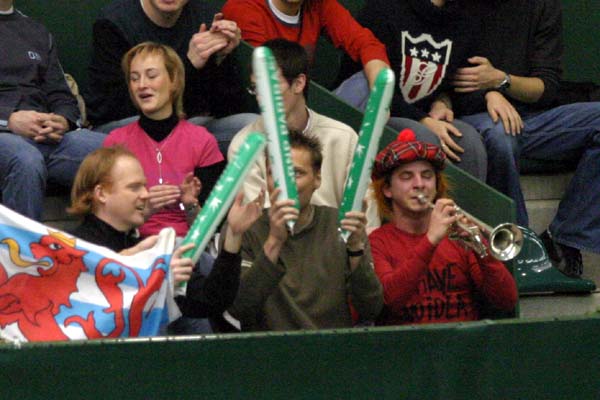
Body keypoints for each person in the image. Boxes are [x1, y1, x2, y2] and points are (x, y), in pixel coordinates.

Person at [451, 0, 600, 277]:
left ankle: (564, 238)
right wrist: (487, 94)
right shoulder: (458, 6)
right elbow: (448, 74)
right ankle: (518, 249)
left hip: (531, 119)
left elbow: (546, 86)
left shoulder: (542, 6)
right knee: (500, 134)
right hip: (471, 116)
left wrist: (500, 81)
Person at [68, 145, 264, 325]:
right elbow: (94, 317)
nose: (145, 194)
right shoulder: (71, 251)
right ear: (101, 194)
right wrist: (155, 279)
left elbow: (210, 302)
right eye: (134, 187)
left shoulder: (151, 250)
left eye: (144, 186)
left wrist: (233, 237)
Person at [228, 132, 383, 331]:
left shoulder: (341, 224)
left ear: (317, 179)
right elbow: (238, 308)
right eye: (275, 173)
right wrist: (274, 242)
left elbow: (371, 308)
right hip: (269, 348)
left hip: (330, 346)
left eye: (296, 173)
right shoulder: (247, 226)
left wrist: (355, 248)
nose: (284, 184)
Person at [368, 130, 518, 325]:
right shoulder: (378, 241)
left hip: (462, 341)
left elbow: (506, 300)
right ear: (387, 189)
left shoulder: (457, 237)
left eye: (427, 176)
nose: (419, 184)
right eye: (406, 177)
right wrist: (430, 241)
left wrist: (483, 251)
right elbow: (389, 301)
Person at [336, 0, 487, 181]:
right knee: (423, 138)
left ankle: (460, 202)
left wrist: (443, 101)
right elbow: (360, 83)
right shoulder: (383, 9)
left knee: (469, 141)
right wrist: (422, 119)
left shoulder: (465, 21)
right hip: (375, 110)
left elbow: (456, 84)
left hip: (425, 114)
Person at [86, 0, 256, 155]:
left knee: (254, 127)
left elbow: (230, 108)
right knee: (158, 126)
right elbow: (111, 110)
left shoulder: (206, 17)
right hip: (128, 126)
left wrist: (222, 57)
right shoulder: (114, 22)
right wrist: (188, 65)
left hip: (190, 124)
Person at [104, 42, 225, 239]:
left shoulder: (202, 141)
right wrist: (145, 210)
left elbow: (211, 230)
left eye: (151, 76)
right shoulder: (116, 142)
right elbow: (107, 222)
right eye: (134, 78)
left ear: (174, 80)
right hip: (134, 246)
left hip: (187, 246)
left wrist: (190, 205)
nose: (142, 85)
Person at [0, 1, 105, 221]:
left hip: (46, 136)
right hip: (7, 137)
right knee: (26, 161)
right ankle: (22, 245)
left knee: (117, 151)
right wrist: (9, 119)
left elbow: (61, 95)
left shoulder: (36, 31)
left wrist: (63, 120)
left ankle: (143, 240)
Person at [228, 39, 359, 211]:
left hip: (335, 228)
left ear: (299, 83)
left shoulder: (344, 138)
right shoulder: (244, 145)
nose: (261, 98)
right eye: (256, 88)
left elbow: (364, 214)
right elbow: (260, 218)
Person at [222, 0, 389, 89]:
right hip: (261, 112)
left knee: (366, 83)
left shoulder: (319, 5)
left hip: (306, 109)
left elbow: (366, 43)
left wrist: (380, 94)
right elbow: (268, 82)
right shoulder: (244, 7)